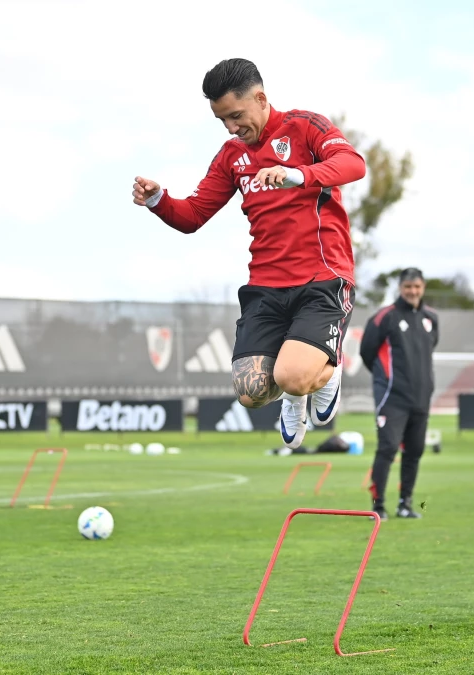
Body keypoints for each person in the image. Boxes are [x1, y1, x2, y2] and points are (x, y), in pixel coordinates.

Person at [133, 58, 366, 451]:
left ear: (260, 98)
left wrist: (299, 174)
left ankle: (317, 379)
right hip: (265, 286)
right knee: (251, 390)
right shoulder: (231, 156)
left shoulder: (305, 126)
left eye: (236, 115)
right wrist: (158, 199)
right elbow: (192, 216)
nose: (231, 127)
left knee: (291, 376)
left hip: (321, 278)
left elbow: (353, 164)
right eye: (222, 120)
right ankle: (305, 382)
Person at [359, 268, 440, 520]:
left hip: (421, 397)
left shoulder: (431, 318)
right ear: (400, 288)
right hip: (392, 398)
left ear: (423, 287)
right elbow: (367, 353)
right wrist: (386, 381)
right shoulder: (385, 317)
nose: (413, 291)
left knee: (414, 451)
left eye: (417, 287)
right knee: (388, 448)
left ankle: (405, 504)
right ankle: (378, 505)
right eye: (408, 287)